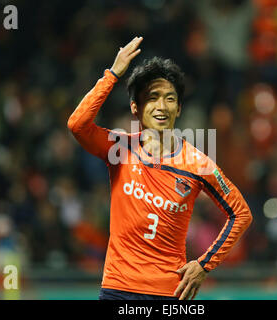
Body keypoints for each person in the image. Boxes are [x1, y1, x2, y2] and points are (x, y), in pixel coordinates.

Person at [67, 36, 253, 300]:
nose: (161, 106)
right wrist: (113, 74)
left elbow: (242, 214)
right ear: (136, 107)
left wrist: (204, 264)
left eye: (170, 98)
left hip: (169, 292)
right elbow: (78, 125)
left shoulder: (198, 164)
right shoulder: (120, 149)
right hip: (117, 288)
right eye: (152, 97)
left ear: (178, 109)